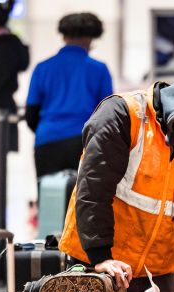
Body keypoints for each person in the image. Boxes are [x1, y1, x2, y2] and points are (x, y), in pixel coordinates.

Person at [58, 60, 174, 292]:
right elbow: (94, 190)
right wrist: (100, 257)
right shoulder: (122, 114)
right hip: (100, 266)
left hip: (158, 273)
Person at [25, 12, 113, 179]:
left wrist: (50, 129)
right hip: (85, 142)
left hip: (47, 140)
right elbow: (107, 113)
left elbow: (31, 114)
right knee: (83, 200)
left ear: (64, 38)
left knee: (49, 197)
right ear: (90, 39)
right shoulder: (99, 69)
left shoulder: (43, 68)